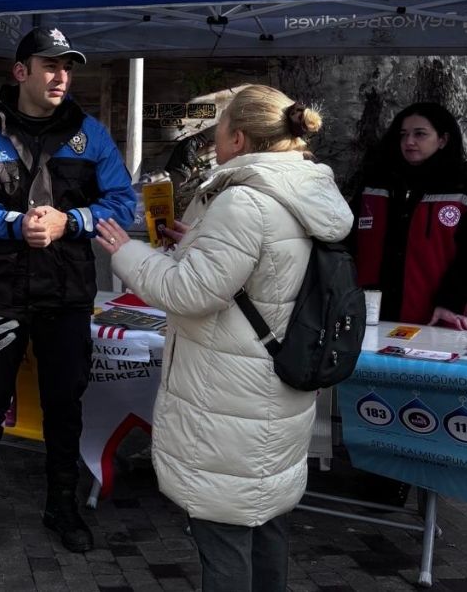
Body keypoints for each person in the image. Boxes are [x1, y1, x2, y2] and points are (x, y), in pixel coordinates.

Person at [96, 85, 353, 591]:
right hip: (275, 390)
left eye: (216, 130)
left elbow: (189, 291)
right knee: (267, 523)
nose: (211, 140)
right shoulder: (305, 191)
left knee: (225, 536)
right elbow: (258, 272)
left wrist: (126, 251)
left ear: (238, 137)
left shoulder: (245, 201)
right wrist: (195, 242)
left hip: (230, 402)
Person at [0, 27, 136, 559]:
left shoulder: (90, 133)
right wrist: (13, 223)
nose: (61, 76)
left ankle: (62, 506)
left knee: (64, 406)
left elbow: (125, 204)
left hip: (66, 295)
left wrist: (70, 221)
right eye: (49, 65)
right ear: (20, 71)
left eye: (67, 67)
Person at [351, 102, 467, 507]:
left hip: (432, 312)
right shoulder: (378, 179)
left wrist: (451, 301)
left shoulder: (463, 183)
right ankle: (380, 474)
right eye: (403, 134)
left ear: (443, 139)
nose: (409, 142)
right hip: (374, 310)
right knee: (376, 389)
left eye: (420, 134)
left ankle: (416, 479)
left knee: (420, 394)